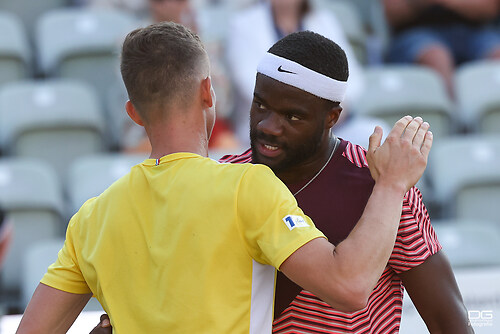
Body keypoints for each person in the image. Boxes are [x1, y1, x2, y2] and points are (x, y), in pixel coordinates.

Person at [16, 22, 432, 333]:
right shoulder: (247, 186)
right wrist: (393, 184)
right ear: (207, 93)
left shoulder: (91, 219)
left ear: (134, 114)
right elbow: (350, 286)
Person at [226, 0, 365, 146]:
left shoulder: (324, 20)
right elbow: (249, 84)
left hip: (327, 127)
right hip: (269, 127)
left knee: (370, 133)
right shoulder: (244, 24)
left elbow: (353, 78)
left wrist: (335, 107)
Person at [383, 0, 500, 98]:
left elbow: (490, 8)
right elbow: (391, 13)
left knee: (497, 54)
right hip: (416, 33)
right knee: (436, 56)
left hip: (474, 31)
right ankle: (452, 120)